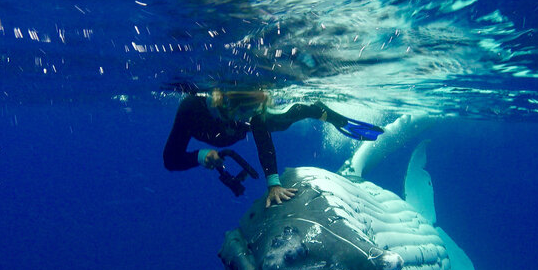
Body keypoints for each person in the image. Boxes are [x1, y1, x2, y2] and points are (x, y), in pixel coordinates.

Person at [163, 89, 382, 207]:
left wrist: (274, 183)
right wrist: (201, 155)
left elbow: (263, 141)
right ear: (228, 106)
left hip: (243, 125)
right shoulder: (191, 109)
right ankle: (320, 112)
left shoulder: (251, 117)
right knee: (272, 122)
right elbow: (171, 159)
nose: (247, 119)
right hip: (214, 128)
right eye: (244, 114)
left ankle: (328, 115)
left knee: (283, 121)